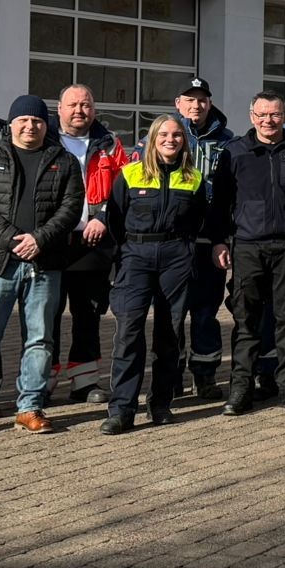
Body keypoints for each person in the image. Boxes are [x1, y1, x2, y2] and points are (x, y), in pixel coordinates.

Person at [0, 96, 84, 438]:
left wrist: (39, 239)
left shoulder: (64, 161)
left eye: (37, 121)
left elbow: (70, 208)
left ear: (45, 125)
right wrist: (12, 239)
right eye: (23, 120)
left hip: (44, 263)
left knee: (40, 340)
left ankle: (30, 408)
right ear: (11, 124)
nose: (30, 126)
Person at [102, 116, 219, 433]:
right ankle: (122, 409)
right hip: (135, 257)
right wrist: (122, 257)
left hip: (175, 257)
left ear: (184, 141)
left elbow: (198, 219)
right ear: (152, 139)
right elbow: (114, 219)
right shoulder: (130, 173)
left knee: (169, 334)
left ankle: (161, 404)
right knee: (129, 333)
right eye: (164, 134)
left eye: (177, 135)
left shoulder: (193, 178)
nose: (171, 139)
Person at [215, 92, 285, 415]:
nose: (268, 120)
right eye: (262, 115)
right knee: (246, 321)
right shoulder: (235, 152)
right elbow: (220, 201)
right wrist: (218, 241)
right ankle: (241, 388)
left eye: (275, 115)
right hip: (248, 247)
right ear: (252, 117)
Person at [49, 84, 127, 405]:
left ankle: (84, 382)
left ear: (94, 109)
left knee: (88, 314)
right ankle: (42, 381)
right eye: (73, 105)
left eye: (86, 105)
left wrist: (104, 218)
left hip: (93, 242)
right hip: (53, 242)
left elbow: (123, 188)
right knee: (47, 315)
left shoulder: (110, 144)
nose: (79, 110)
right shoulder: (46, 140)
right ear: (59, 109)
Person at [174, 77, 235, 399]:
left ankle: (205, 375)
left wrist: (223, 238)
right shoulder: (163, 135)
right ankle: (171, 377)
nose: (196, 105)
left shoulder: (228, 142)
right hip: (172, 243)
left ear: (209, 103)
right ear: (178, 104)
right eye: (189, 99)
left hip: (211, 243)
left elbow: (233, 195)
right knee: (172, 314)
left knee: (205, 315)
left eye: (202, 100)